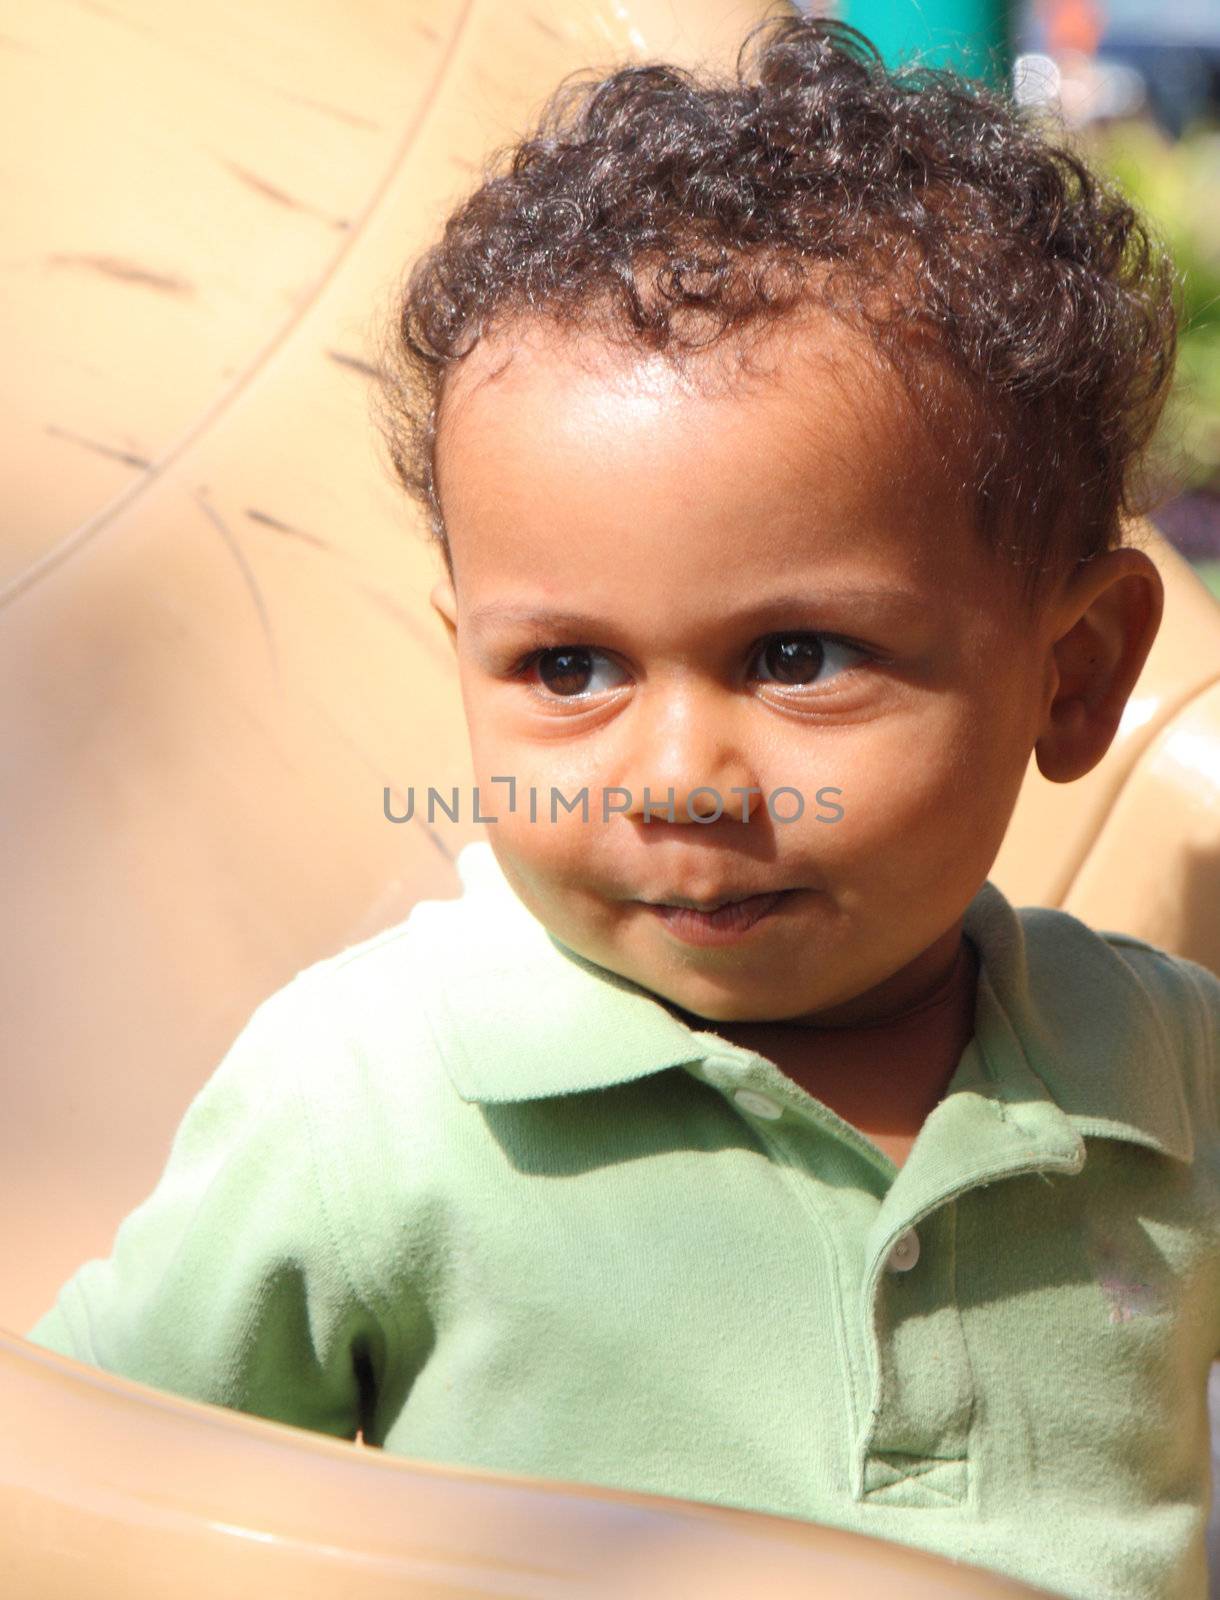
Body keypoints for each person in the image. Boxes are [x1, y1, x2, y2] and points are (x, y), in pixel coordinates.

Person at [26, 12, 1220, 1598]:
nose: (676, 779)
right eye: (570, 667)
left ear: (1074, 679)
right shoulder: (372, 1101)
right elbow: (74, 1490)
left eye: (797, 656)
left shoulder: (1164, 1071)